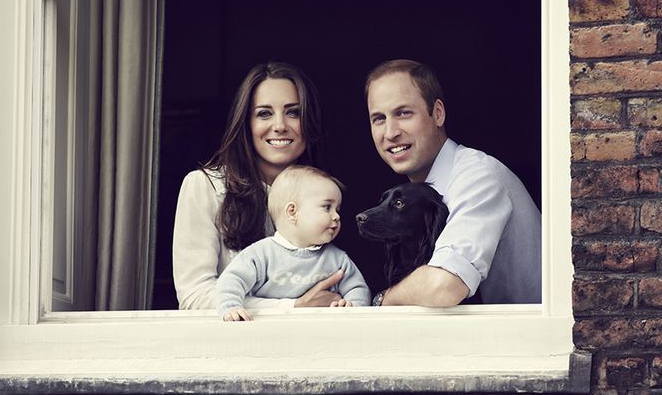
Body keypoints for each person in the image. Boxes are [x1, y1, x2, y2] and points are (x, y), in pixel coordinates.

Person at [365, 59, 541, 306]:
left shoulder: (478, 177)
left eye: (403, 113)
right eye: (379, 119)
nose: (390, 132)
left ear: (438, 113)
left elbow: (443, 287)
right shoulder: (419, 196)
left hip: (529, 341)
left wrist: (384, 300)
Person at [173, 62, 346, 310]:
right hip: (233, 342)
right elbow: (194, 297)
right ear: (246, 123)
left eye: (293, 112)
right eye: (264, 113)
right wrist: (292, 306)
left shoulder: (325, 191)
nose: (279, 125)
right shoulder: (205, 186)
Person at [216, 165, 371, 321]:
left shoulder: (337, 259)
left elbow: (358, 289)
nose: (336, 216)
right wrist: (231, 307)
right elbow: (232, 280)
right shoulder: (260, 254)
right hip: (270, 332)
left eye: (337, 209)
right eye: (327, 207)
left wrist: (351, 308)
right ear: (292, 212)